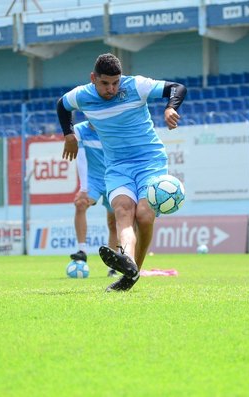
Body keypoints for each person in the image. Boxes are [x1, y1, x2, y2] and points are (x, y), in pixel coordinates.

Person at [57, 53, 186, 292]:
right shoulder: (82, 95)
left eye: (115, 83)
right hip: (117, 166)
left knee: (145, 215)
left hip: (150, 162)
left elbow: (177, 88)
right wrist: (69, 134)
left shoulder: (135, 85)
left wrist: (170, 108)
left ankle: (134, 268)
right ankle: (127, 262)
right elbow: (62, 105)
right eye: (105, 83)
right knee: (123, 212)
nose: (111, 89)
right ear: (93, 78)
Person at [70, 120, 119, 277]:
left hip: (113, 179)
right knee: (80, 204)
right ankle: (82, 250)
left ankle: (113, 265)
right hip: (94, 180)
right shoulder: (79, 129)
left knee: (113, 224)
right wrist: (83, 189)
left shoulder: (112, 127)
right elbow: (81, 159)